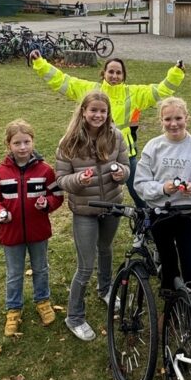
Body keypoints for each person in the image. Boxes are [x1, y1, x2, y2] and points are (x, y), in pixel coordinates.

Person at [30, 52, 184, 207]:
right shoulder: (90, 90)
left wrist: (176, 72)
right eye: (111, 71)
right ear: (103, 73)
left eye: (119, 72)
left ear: (124, 76)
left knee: (138, 189)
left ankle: (146, 219)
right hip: (93, 153)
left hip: (124, 153)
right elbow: (63, 81)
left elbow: (161, 90)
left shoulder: (134, 93)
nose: (114, 76)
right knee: (97, 190)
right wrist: (40, 64)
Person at [55, 91, 130, 341]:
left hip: (111, 206)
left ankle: (106, 289)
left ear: (108, 113)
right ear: (83, 112)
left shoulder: (116, 136)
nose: (98, 115)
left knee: (106, 249)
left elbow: (126, 166)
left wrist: (122, 174)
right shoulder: (69, 142)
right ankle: (74, 316)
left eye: (102, 111)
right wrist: (77, 179)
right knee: (85, 266)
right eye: (93, 110)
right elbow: (61, 179)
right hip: (84, 211)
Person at [0, 119, 64, 337]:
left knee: (41, 268)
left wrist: (46, 203)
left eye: (26, 142)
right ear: (8, 144)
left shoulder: (45, 170)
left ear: (33, 142)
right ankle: (13, 308)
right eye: (17, 143)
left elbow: (56, 195)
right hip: (11, 234)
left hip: (38, 231)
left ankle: (43, 300)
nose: (22, 148)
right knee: (14, 273)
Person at [134, 97, 191, 292]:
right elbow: (140, 183)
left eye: (178, 118)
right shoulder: (154, 146)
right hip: (159, 213)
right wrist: (162, 189)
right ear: (161, 121)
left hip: (186, 213)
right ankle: (170, 300)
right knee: (168, 262)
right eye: (167, 119)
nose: (173, 123)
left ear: (187, 118)